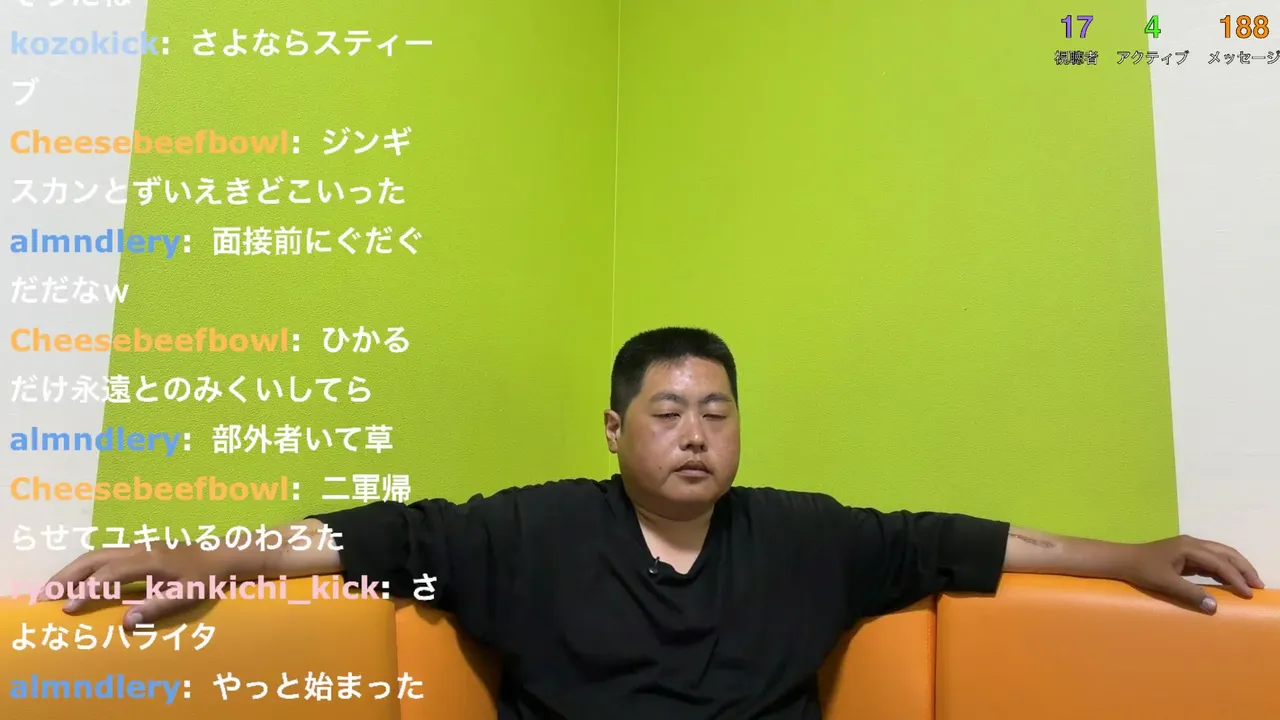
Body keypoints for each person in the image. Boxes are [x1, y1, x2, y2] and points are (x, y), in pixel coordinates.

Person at [43, 327, 1263, 719]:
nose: (694, 434)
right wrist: (213, 557)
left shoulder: (805, 538)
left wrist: (1128, 555)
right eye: (667, 412)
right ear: (614, 430)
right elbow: (380, 540)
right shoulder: (528, 534)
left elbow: (960, 543)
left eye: (716, 412)